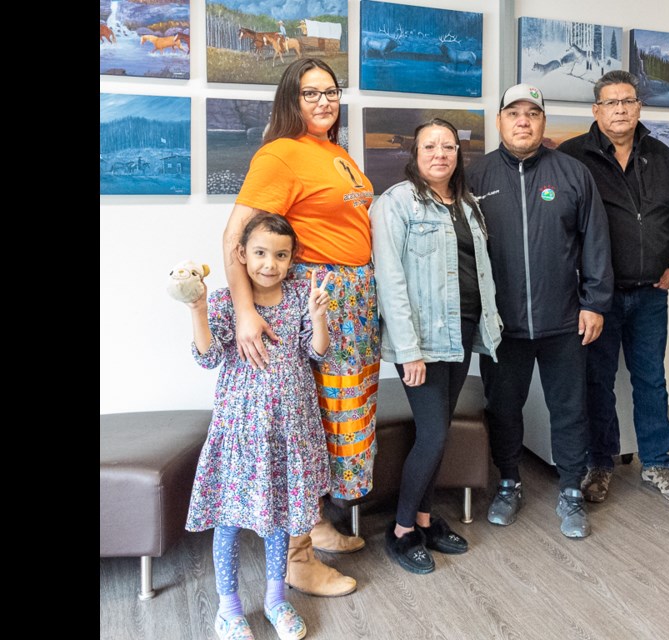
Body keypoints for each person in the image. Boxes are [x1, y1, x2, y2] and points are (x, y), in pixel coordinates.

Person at [226, 58, 376, 596]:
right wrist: (246, 311)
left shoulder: (334, 152)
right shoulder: (280, 154)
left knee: (335, 423)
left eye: (330, 92)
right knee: (304, 428)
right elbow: (235, 240)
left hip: (352, 304)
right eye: (310, 93)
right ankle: (297, 558)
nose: (323, 102)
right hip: (314, 300)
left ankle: (314, 524)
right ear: (290, 98)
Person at [467, 84, 613, 539]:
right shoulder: (476, 177)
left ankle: (571, 489)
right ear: (500, 121)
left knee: (569, 409)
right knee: (504, 407)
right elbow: (463, 254)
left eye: (533, 113)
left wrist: (595, 303)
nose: (524, 121)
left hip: (564, 320)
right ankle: (509, 481)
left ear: (543, 122)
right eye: (514, 113)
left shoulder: (572, 174)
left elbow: (595, 243)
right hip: (501, 325)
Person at [183, 213, 332, 640]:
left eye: (281, 255)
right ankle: (228, 608)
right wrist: (198, 309)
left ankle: (275, 599)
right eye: (261, 253)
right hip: (242, 430)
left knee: (279, 517)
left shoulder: (303, 292)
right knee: (228, 517)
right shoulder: (228, 302)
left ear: (292, 259)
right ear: (242, 255)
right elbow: (208, 357)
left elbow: (317, 352)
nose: (270, 264)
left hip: (291, 428)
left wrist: (318, 316)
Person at [371, 119, 501, 573]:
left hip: (461, 332)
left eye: (448, 146)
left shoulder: (466, 204)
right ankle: (402, 529)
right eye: (430, 146)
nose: (440, 154)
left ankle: (425, 519)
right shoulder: (396, 204)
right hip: (422, 341)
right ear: (415, 152)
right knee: (433, 433)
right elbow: (389, 280)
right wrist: (408, 350)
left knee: (440, 428)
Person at [557, 70, 669, 505]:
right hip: (598, 297)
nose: (620, 109)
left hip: (651, 292)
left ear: (639, 107)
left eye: (627, 101)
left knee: (651, 380)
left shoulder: (662, 156)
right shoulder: (574, 157)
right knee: (597, 381)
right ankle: (600, 463)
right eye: (611, 102)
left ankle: (657, 464)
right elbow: (563, 228)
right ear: (596, 110)